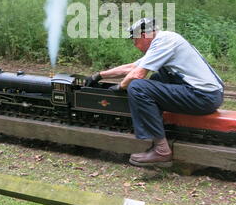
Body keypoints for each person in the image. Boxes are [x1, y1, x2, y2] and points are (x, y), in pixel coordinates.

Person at [85, 18, 224, 168]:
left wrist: (120, 87)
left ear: (144, 36)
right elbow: (132, 67)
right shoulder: (165, 40)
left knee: (138, 87)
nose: (135, 45)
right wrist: (99, 75)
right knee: (158, 77)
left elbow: (137, 74)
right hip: (206, 94)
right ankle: (161, 128)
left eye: (135, 41)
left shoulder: (164, 42)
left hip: (203, 96)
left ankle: (161, 151)